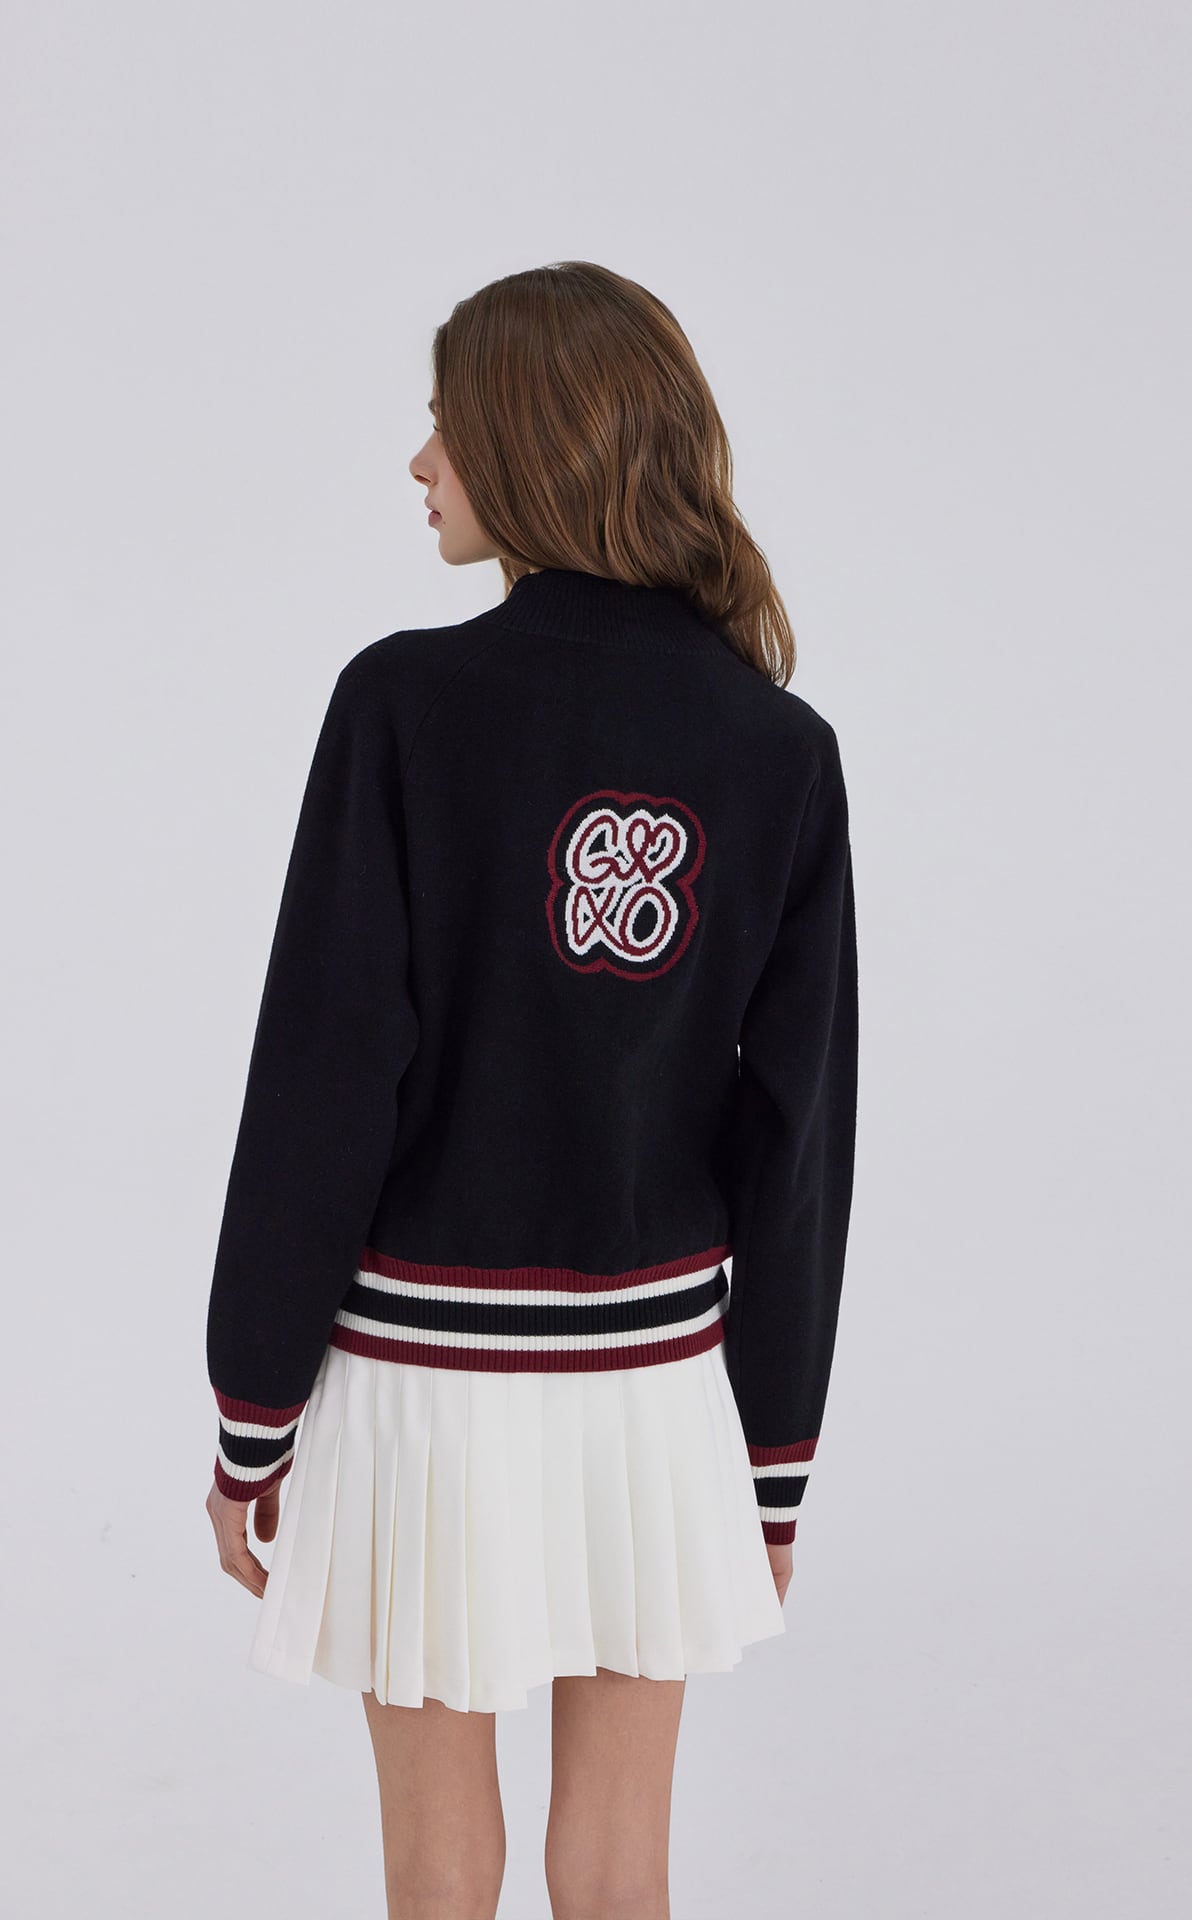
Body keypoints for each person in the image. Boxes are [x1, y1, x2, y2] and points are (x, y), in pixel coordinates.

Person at [204, 258, 859, 1920]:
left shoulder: (403, 706)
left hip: (424, 1378)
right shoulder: (778, 749)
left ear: (530, 437)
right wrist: (773, 1457)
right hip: (657, 1392)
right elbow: (796, 1145)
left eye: (445, 422)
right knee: (622, 1862)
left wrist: (250, 1414)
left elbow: (322, 1085)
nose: (419, 460)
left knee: (439, 1865)